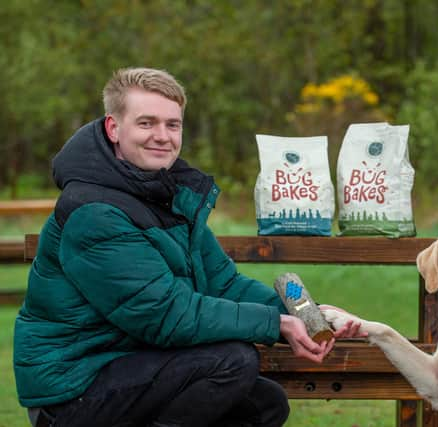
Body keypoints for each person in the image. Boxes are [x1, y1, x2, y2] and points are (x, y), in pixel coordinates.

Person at [13, 67, 361, 427]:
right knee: (232, 361)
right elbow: (165, 316)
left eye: (172, 124)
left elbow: (224, 285)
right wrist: (276, 323)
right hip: (74, 387)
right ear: (113, 128)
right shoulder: (93, 211)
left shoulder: (165, 198)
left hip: (130, 365)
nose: (162, 136)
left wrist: (311, 315)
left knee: (264, 404)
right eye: (146, 123)